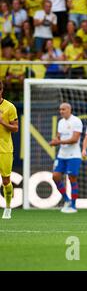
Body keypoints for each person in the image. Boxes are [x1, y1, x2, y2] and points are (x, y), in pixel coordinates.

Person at [49, 103, 83, 213]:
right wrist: (55, 140)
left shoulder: (76, 121)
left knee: (72, 178)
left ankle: (73, 206)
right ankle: (67, 200)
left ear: (69, 109)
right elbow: (59, 136)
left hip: (74, 155)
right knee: (55, 176)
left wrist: (59, 142)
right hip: (62, 155)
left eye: (63, 109)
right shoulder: (61, 122)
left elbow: (75, 139)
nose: (61, 111)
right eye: (60, 109)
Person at [0, 81, 19, 220]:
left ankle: (7, 208)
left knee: (6, 180)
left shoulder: (9, 107)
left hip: (4, 148)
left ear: (1, 90)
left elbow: (15, 128)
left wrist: (2, 122)